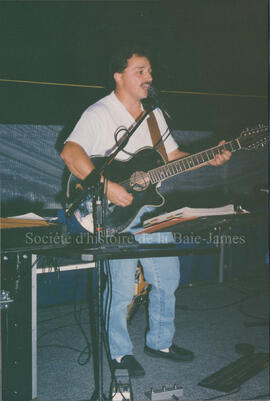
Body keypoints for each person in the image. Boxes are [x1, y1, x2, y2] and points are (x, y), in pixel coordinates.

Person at [60, 44, 231, 378]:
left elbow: (172, 157)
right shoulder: (99, 113)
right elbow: (70, 153)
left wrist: (208, 156)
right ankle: (119, 353)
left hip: (149, 211)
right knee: (121, 289)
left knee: (168, 277)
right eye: (140, 71)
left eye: (150, 71)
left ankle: (160, 342)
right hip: (111, 213)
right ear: (118, 76)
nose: (148, 77)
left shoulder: (153, 116)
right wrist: (108, 187)